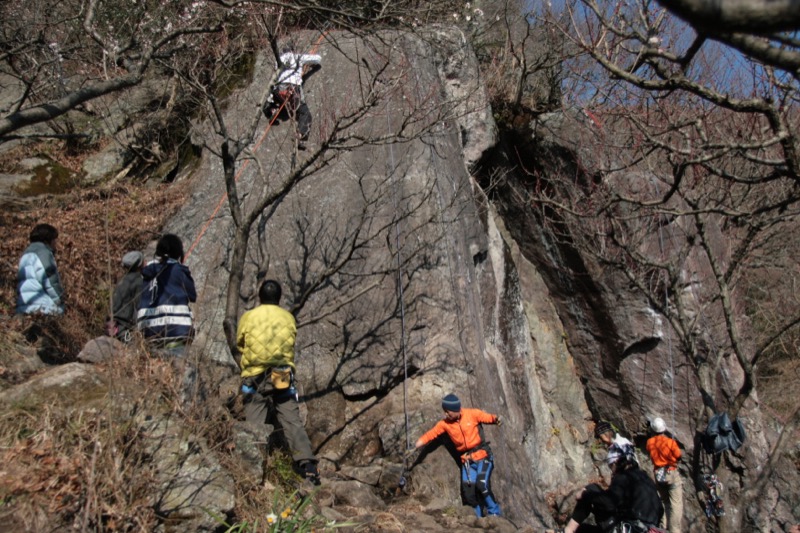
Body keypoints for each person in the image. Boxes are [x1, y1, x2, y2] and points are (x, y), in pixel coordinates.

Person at [237, 279, 320, 484]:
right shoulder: (288, 318)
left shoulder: (249, 316)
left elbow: (240, 342)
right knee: (290, 415)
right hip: (281, 372)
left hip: (255, 374)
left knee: (254, 419)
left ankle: (251, 463)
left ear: (260, 296)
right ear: (279, 297)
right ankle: (307, 465)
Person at [412, 394, 502, 517]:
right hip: (467, 461)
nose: (445, 414)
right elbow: (430, 434)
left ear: (456, 410)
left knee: (482, 484)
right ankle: (477, 518)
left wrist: (496, 419)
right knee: (468, 492)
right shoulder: (444, 424)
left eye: (447, 412)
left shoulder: (472, 414)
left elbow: (487, 418)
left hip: (483, 456)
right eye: (444, 411)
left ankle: (494, 514)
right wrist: (415, 445)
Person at [564, 443, 663, 533]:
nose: (612, 470)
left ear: (617, 461)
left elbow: (609, 503)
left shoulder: (624, 477)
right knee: (584, 529)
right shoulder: (646, 478)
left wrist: (585, 493)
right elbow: (660, 510)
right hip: (647, 528)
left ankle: (568, 530)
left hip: (629, 528)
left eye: (611, 465)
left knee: (592, 489)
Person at [137, 234, 196, 355]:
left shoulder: (146, 272)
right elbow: (192, 295)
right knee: (176, 367)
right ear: (178, 252)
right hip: (175, 329)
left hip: (148, 331)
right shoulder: (179, 270)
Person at [264, 42, 321, 146]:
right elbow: (318, 59)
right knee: (305, 113)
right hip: (293, 90)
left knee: (285, 112)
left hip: (279, 90)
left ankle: (273, 111)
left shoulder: (278, 61)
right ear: (293, 51)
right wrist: (310, 63)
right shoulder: (297, 57)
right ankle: (299, 136)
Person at [16, 223, 65, 315]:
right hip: (43, 307)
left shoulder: (25, 254)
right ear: (49, 239)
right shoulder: (43, 253)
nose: (56, 243)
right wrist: (60, 301)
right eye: (55, 239)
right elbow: (50, 280)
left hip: (24, 307)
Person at [646, 417, 683, 533]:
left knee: (665, 501)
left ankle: (663, 526)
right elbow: (678, 455)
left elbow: (649, 451)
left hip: (658, 473)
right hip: (670, 472)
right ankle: (674, 530)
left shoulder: (649, 442)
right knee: (675, 504)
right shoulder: (670, 442)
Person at [108, 251, 143, 342]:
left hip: (113, 325)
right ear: (139, 265)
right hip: (125, 327)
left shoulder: (122, 281)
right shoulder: (138, 281)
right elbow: (140, 306)